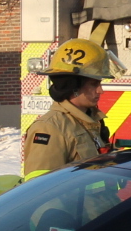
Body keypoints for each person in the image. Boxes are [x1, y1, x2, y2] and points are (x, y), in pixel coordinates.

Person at [22, 38, 114, 178]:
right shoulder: (49, 128)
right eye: (94, 84)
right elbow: (41, 185)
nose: (100, 91)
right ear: (73, 86)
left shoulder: (90, 122)